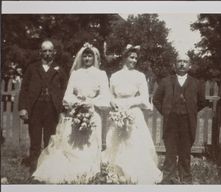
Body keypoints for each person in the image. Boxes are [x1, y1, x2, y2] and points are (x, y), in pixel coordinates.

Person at [31, 42, 110, 184]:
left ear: (95, 58)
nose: (87, 59)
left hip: (92, 113)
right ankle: (71, 169)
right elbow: (67, 96)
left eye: (89, 56)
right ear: (81, 57)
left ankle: (89, 171)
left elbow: (105, 97)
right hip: (76, 112)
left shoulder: (101, 74)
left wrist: (90, 102)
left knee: (90, 144)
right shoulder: (75, 74)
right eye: (84, 56)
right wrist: (77, 102)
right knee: (72, 144)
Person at [102, 44, 162, 184]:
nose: (134, 60)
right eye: (131, 57)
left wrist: (127, 104)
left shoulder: (140, 76)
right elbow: (109, 95)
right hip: (117, 114)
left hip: (133, 113)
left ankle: (134, 173)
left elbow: (143, 98)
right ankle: (115, 173)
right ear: (124, 58)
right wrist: (113, 103)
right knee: (116, 142)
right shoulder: (115, 76)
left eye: (136, 58)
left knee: (134, 142)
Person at [153, 55, 208, 184]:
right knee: (170, 152)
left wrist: (190, 111)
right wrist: (166, 112)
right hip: (170, 122)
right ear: (174, 65)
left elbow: (202, 102)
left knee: (185, 152)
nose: (182, 64)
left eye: (185, 62)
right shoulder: (166, 81)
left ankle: (186, 179)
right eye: (179, 61)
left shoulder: (196, 83)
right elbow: (156, 99)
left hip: (187, 122)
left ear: (190, 65)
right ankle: (168, 178)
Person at [18, 40, 67, 170]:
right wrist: (23, 108)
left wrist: (63, 108)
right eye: (44, 50)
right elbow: (24, 89)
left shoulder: (60, 70)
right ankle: (34, 166)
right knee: (35, 139)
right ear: (40, 52)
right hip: (35, 108)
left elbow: (64, 90)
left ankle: (46, 168)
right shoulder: (32, 68)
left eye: (50, 50)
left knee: (49, 139)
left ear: (54, 53)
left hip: (52, 109)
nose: (47, 53)